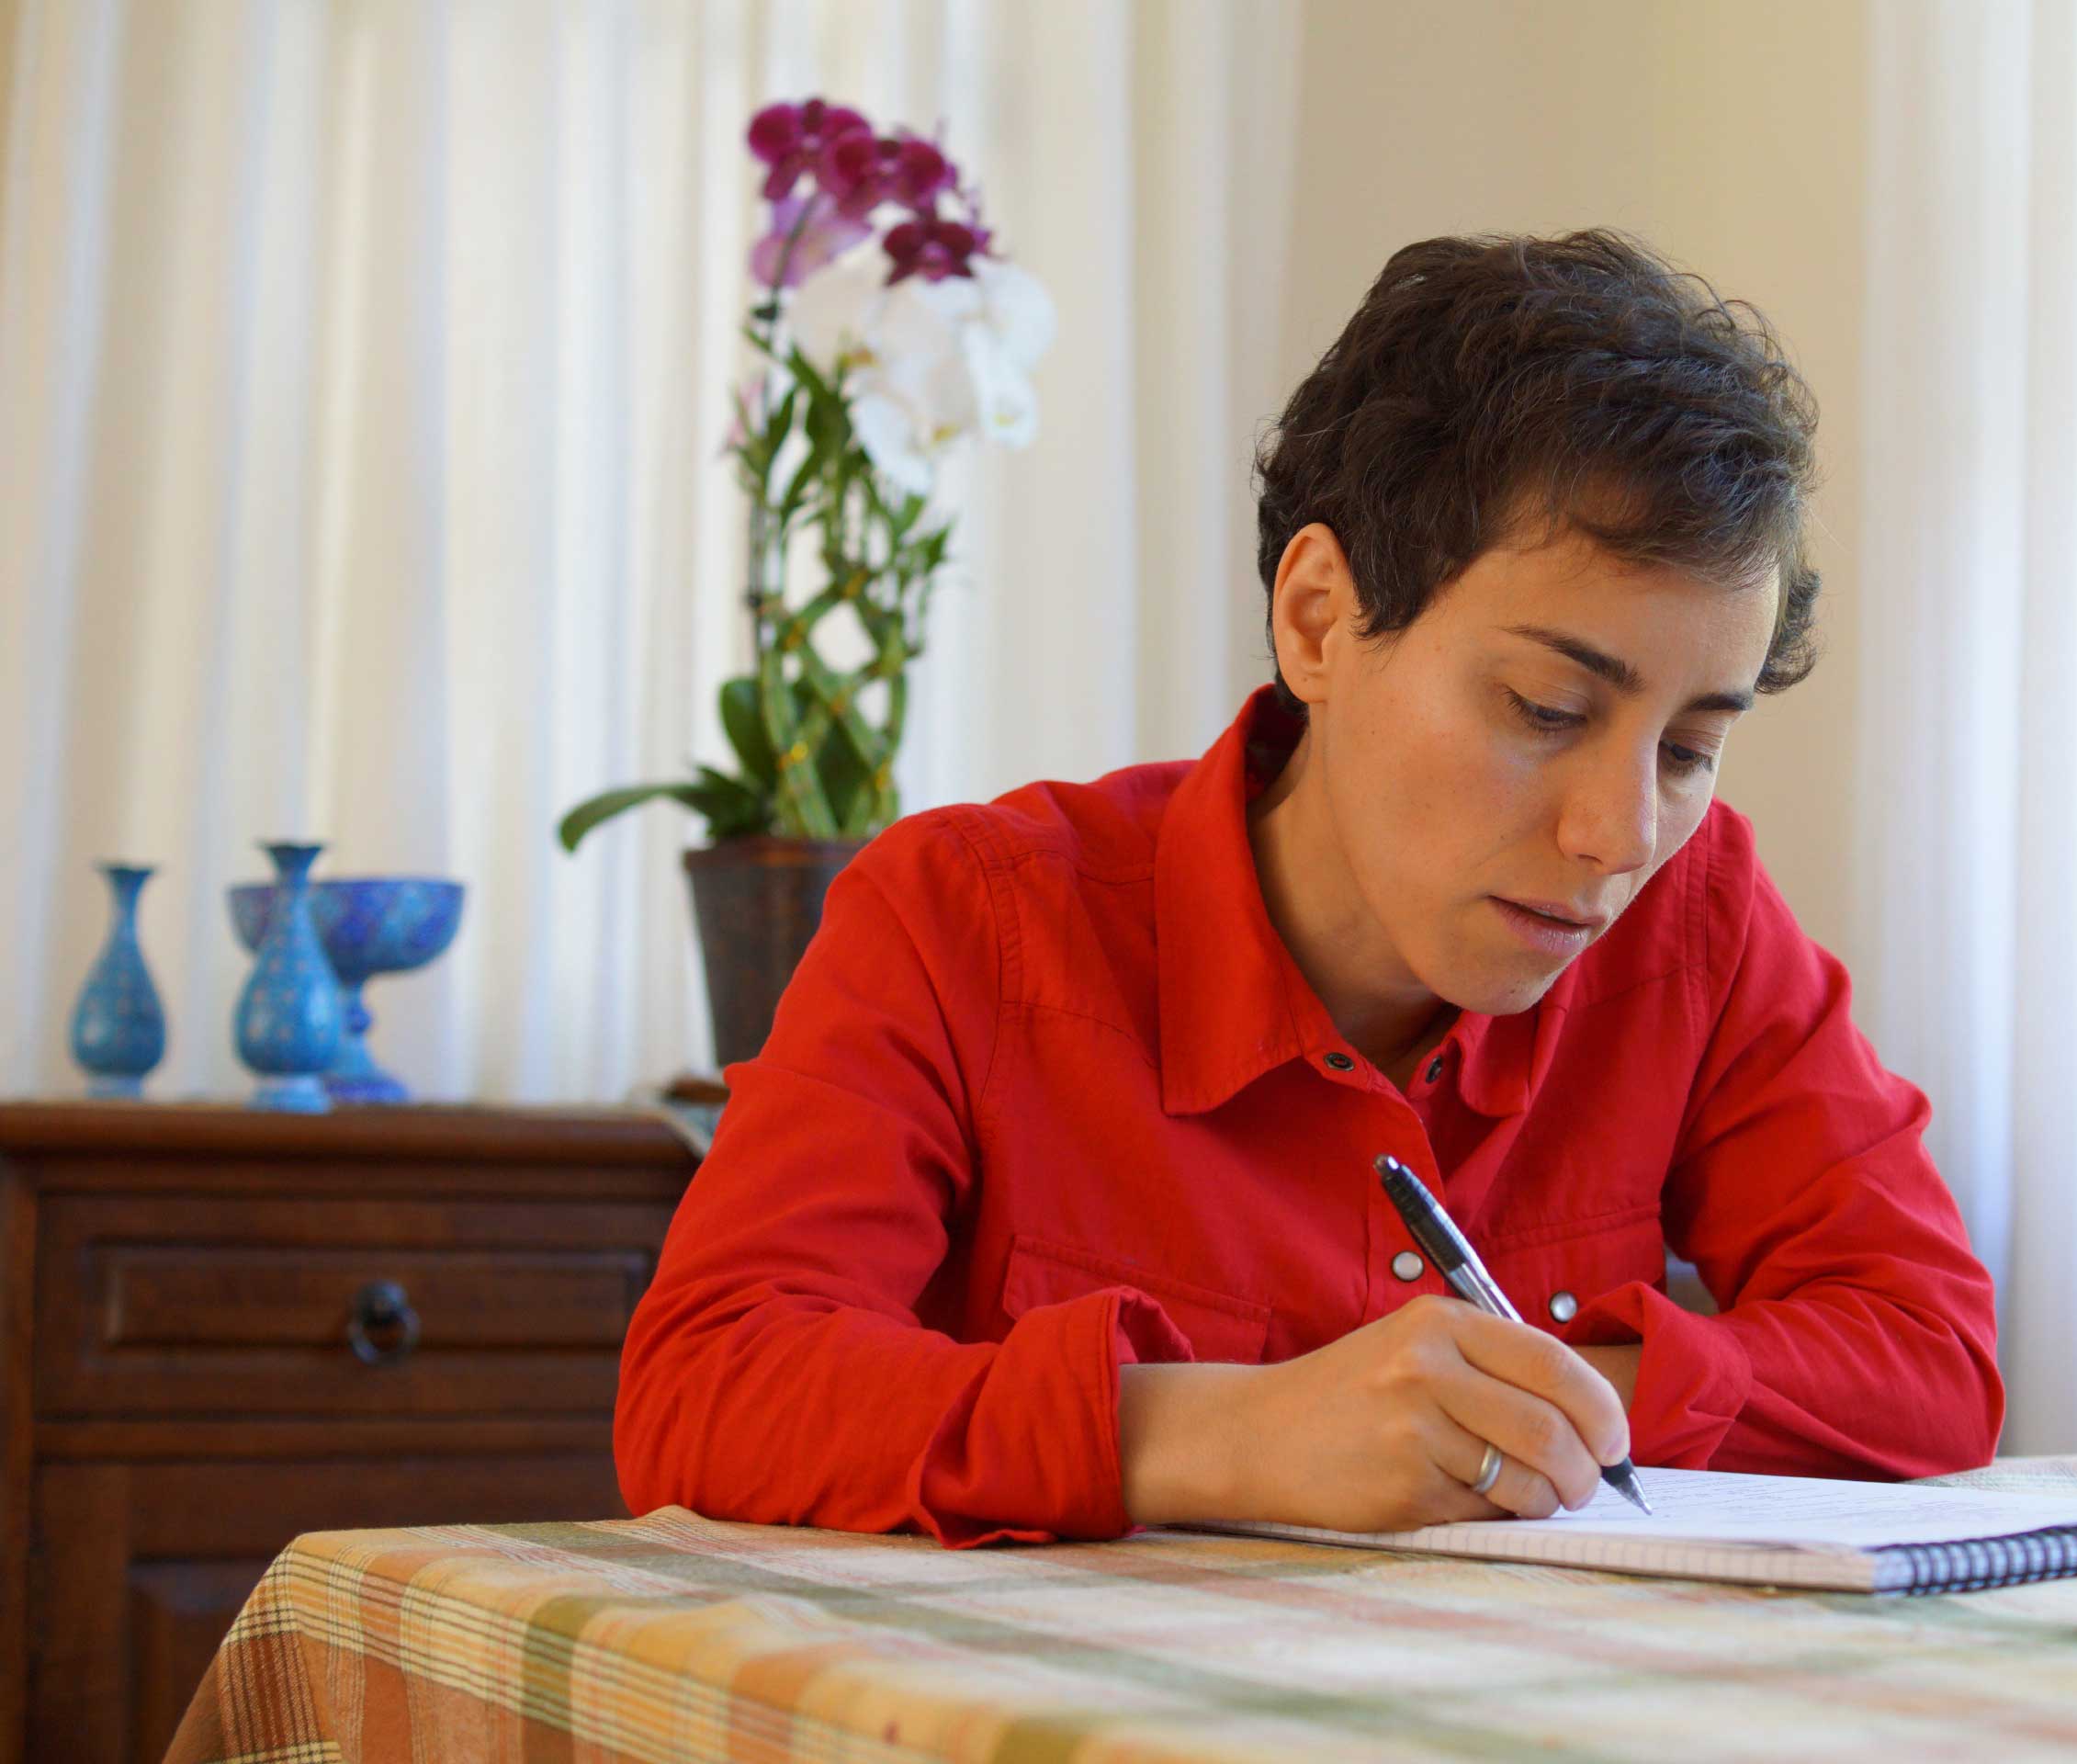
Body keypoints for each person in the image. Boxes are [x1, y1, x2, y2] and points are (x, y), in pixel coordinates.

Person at [615, 229, 2003, 1548]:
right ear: (1320, 619)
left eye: (1692, 745)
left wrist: (1523, 1410)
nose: (1620, 833)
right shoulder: (967, 917)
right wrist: (1225, 1434)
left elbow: (1930, 1357)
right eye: (1545, 706)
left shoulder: (1701, 921)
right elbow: (709, 1385)